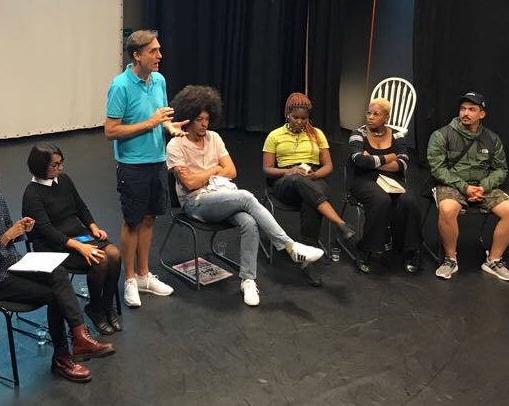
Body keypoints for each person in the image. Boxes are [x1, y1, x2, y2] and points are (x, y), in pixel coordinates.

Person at [0, 152, 114, 383]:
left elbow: (12, 234)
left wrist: (22, 229)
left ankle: (79, 337)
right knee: (55, 294)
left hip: (17, 264)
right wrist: (5, 238)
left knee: (58, 271)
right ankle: (63, 356)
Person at [166, 86, 325, 306]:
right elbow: (190, 184)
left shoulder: (214, 138)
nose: (204, 124)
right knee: (246, 197)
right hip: (195, 203)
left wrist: (207, 174)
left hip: (221, 195)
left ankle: (248, 280)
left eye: (207, 119)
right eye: (199, 120)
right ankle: (290, 247)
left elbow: (231, 171)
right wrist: (215, 169)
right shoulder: (176, 145)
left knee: (249, 222)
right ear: (187, 119)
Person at [104, 29, 188, 307]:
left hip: (156, 161)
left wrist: (170, 127)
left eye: (159, 49)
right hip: (132, 166)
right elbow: (111, 131)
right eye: (154, 51)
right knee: (133, 221)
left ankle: (143, 275)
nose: (160, 55)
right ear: (137, 55)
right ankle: (129, 279)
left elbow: (161, 117)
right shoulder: (120, 86)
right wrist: (150, 123)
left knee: (150, 218)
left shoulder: (159, 80)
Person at [21, 144, 123, 335]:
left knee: (114, 254)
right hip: (53, 245)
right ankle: (95, 308)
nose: (60, 168)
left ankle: (107, 305)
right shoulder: (32, 194)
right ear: (40, 167)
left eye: (61, 163)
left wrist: (93, 226)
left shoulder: (64, 180)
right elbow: (46, 231)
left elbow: (80, 206)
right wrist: (79, 247)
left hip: (77, 235)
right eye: (55, 165)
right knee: (100, 260)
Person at [262, 92, 356, 285]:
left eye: (303, 118)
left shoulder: (317, 134)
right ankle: (339, 223)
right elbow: (267, 169)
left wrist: (313, 175)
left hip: (313, 179)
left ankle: (307, 260)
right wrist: (289, 171)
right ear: (287, 114)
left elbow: (328, 166)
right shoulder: (275, 135)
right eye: (295, 117)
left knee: (309, 200)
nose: (299, 122)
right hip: (284, 182)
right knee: (298, 180)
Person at [426, 92, 509, 282]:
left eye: (472, 109)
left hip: (482, 186)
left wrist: (483, 187)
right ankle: (450, 259)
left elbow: (501, 169)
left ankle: (493, 260)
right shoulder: (441, 135)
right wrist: (464, 187)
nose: (466, 113)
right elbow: (437, 169)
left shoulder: (492, 139)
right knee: (447, 209)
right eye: (463, 109)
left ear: (482, 114)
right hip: (452, 184)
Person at [347, 98, 423, 274]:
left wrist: (373, 161)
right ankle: (367, 249)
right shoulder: (358, 133)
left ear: (386, 117)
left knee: (409, 201)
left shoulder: (397, 135)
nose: (370, 117)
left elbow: (403, 162)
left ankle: (410, 249)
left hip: (392, 179)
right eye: (369, 113)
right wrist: (389, 157)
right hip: (364, 179)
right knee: (381, 200)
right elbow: (359, 160)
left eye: (376, 114)